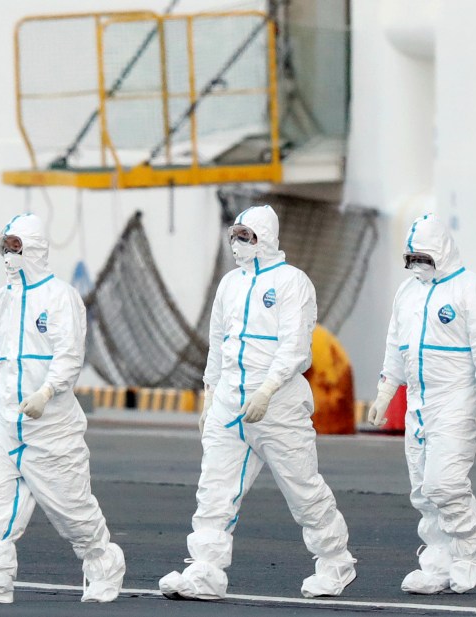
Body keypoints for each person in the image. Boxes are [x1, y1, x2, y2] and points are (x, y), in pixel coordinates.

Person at [160, 205, 356, 600]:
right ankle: (205, 571)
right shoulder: (230, 284)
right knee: (214, 491)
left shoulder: (292, 282)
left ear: (264, 238)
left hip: (278, 406)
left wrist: (267, 390)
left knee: (302, 488)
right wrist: (210, 393)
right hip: (230, 405)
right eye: (235, 236)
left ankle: (335, 561)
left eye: (246, 236)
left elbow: (296, 347)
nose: (238, 244)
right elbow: (218, 342)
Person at [0, 213, 125, 604]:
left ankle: (103, 563)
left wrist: (45, 394)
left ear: (34, 248)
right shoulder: (2, 299)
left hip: (52, 431)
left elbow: (69, 355)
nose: (7, 256)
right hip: (8, 429)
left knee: (73, 512)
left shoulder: (61, 297)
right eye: (4, 247)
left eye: (14, 247)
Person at [365, 213, 476, 594]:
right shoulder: (408, 292)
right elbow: (397, 345)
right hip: (418, 401)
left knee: (445, 483)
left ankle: (473, 549)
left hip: (457, 399)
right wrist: (384, 391)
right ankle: (438, 561)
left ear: (441, 252)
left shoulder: (471, 288)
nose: (416, 266)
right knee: (423, 490)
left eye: (424, 258)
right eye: (411, 259)